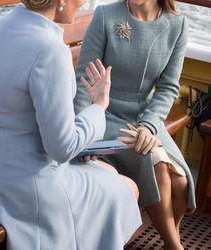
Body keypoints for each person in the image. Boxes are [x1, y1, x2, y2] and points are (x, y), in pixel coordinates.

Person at [0, 0, 142, 249]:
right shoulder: (49, 50)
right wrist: (99, 105)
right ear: (61, 1)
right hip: (22, 185)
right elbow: (62, 148)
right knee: (128, 189)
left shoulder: (1, 27)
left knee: (109, 173)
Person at [74, 0, 196, 249]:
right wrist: (81, 132)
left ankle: (169, 238)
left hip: (145, 116)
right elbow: (84, 79)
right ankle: (175, 246)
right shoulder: (106, 14)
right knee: (158, 164)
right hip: (105, 114)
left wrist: (149, 126)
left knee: (181, 183)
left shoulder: (178, 24)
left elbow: (168, 87)